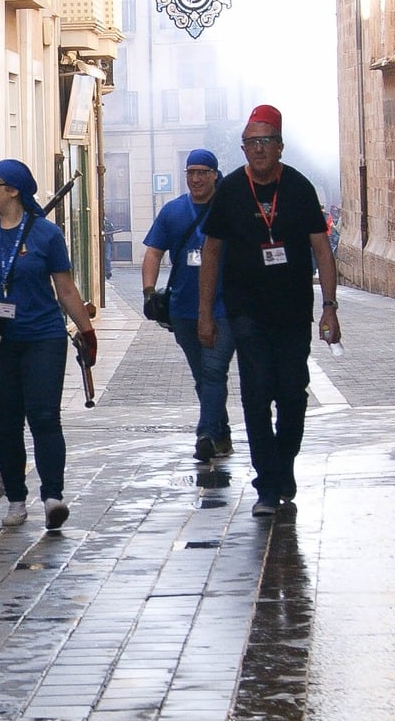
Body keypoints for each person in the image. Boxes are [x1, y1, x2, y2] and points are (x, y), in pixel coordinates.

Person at [196, 105, 342, 519]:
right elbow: (211, 252)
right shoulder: (229, 192)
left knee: (292, 394)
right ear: (243, 149)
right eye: (250, 144)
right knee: (256, 394)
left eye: (264, 142)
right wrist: (205, 313)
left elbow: (321, 249)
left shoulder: (298, 188)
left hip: (294, 311)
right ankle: (266, 483)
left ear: (279, 146)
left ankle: (284, 466)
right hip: (246, 312)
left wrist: (329, 308)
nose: (257, 150)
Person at [0, 160, 97, 530]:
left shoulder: (47, 234)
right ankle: (15, 498)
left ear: (13, 190)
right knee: (7, 421)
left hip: (42, 336)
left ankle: (53, 497)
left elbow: (65, 288)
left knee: (44, 416)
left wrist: (86, 330)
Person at [142, 149, 234, 462]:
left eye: (202, 172)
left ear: (214, 175)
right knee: (202, 375)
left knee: (213, 371)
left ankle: (206, 433)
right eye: (190, 172)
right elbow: (154, 252)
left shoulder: (227, 209)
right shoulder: (173, 212)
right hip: (183, 309)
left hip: (223, 308)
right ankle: (220, 431)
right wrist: (149, 291)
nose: (195, 178)